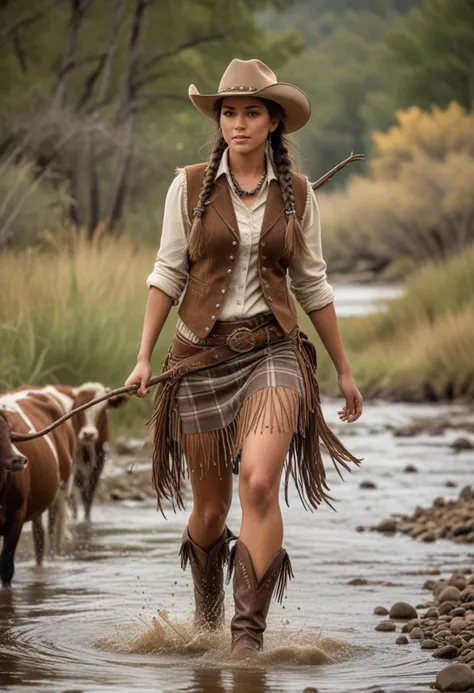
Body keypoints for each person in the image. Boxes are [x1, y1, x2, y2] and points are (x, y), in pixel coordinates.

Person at [125, 58, 363, 661]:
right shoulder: (188, 184)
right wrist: (142, 357)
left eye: (251, 111)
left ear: (274, 120)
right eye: (228, 112)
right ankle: (207, 617)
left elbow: (314, 286)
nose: (238, 122)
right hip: (199, 358)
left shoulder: (300, 195)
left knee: (259, 483)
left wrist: (344, 368)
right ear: (219, 120)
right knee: (209, 510)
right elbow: (166, 273)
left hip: (273, 351)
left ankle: (244, 643)